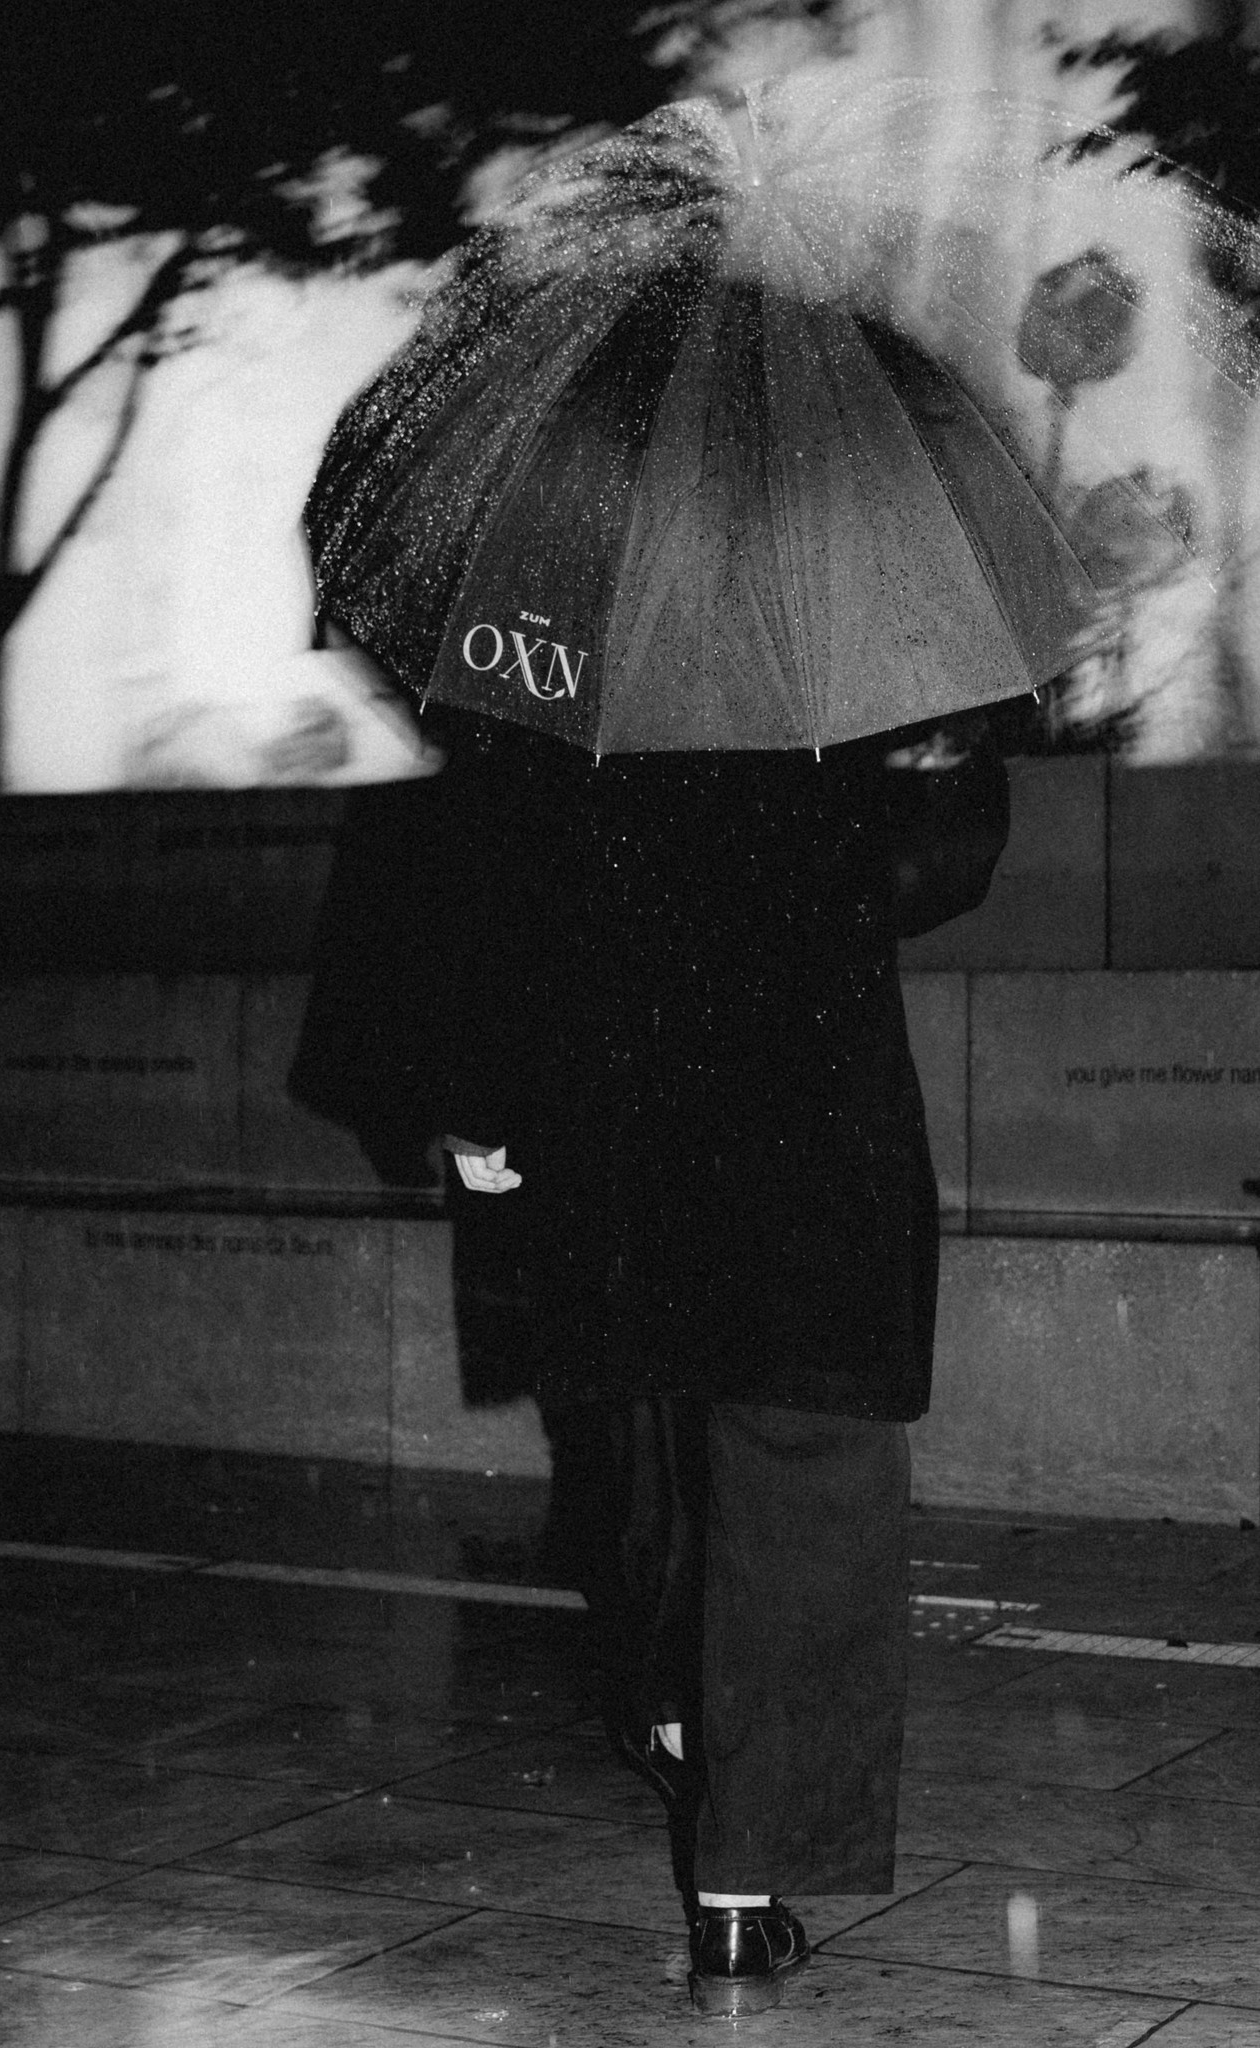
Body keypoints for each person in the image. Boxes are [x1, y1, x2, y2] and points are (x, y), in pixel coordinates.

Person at [290, 696, 1009, 2017]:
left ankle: (677, 1706)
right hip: (804, 1122)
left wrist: (466, 1103)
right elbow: (947, 856)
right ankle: (739, 1883)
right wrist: (838, 838)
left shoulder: (569, 638)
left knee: (643, 1439)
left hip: (614, 1116)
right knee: (802, 1480)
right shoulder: (855, 647)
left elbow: (475, 873)